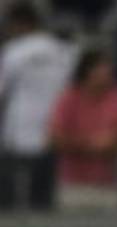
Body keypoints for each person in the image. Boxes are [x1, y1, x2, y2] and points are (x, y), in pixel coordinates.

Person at [0, 2, 74, 209]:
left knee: (12, 196)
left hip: (19, 131)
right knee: (42, 197)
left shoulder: (13, 51)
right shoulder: (63, 50)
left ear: (18, 24)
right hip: (53, 131)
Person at [48, 48, 117, 214]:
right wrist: (88, 144)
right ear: (87, 73)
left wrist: (112, 143)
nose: (105, 77)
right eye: (100, 72)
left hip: (108, 184)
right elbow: (54, 138)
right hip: (74, 184)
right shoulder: (69, 99)